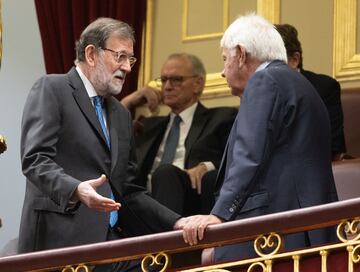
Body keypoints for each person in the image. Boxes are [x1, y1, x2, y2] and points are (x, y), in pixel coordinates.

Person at [19, 17, 182, 271]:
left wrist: (177, 223)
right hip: (62, 245)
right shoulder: (53, 88)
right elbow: (35, 160)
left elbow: (129, 190)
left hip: (112, 243)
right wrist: (76, 190)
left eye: (131, 59)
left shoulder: (120, 113)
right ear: (92, 54)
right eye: (120, 56)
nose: (127, 67)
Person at [176, 14, 338, 262]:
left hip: (271, 236)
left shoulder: (265, 80)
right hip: (309, 231)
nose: (221, 72)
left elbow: (249, 155)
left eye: (224, 59)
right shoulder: (297, 82)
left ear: (241, 54)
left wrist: (220, 216)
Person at [134, 53, 237, 216]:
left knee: (166, 173)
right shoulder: (149, 126)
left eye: (176, 79)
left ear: (198, 83)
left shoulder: (221, 118)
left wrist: (208, 166)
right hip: (145, 202)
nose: (167, 86)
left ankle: (167, 239)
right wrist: (131, 100)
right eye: (164, 80)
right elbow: (111, 143)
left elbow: (236, 158)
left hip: (190, 201)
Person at [275, 23, 346, 160]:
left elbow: (332, 145)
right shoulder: (258, 95)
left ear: (295, 60)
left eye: (274, 63)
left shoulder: (325, 88)